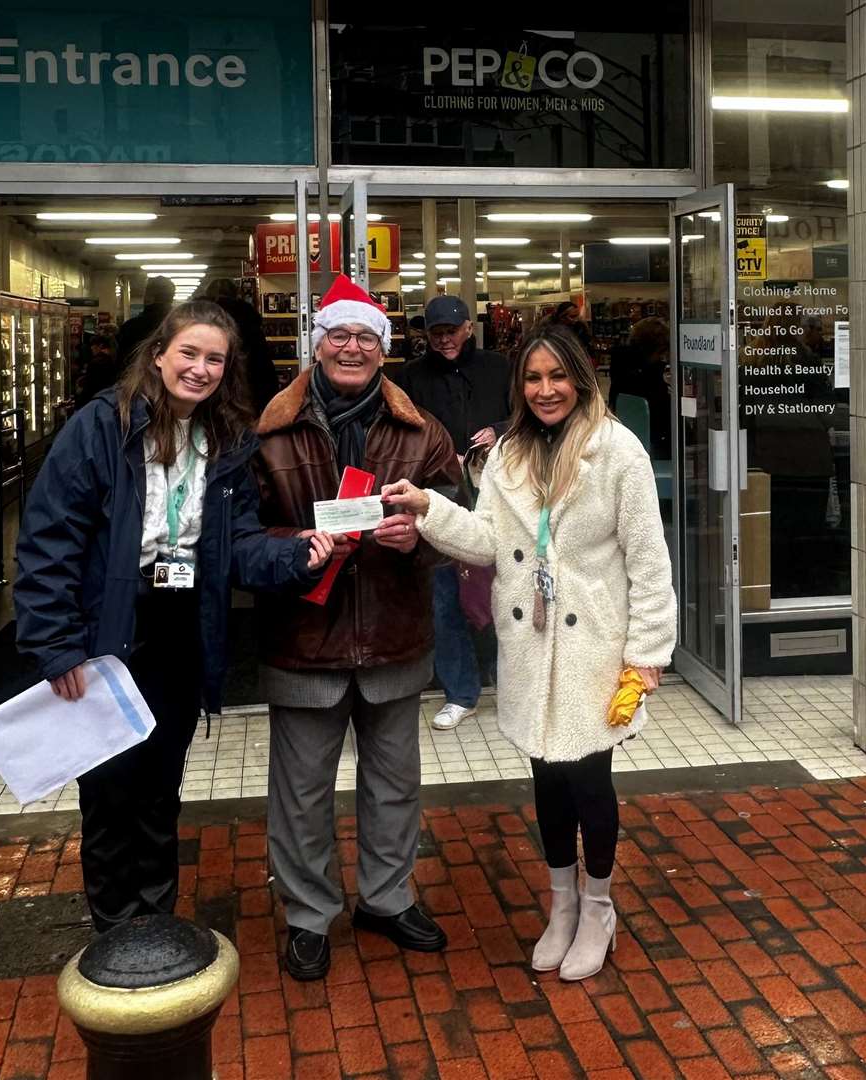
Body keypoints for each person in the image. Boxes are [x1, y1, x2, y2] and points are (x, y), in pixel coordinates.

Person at [13, 300, 329, 934]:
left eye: (215, 359)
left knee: (161, 785)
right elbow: (50, 541)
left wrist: (297, 556)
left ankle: (154, 925)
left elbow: (235, 546)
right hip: (110, 631)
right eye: (189, 353)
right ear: (158, 355)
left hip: (182, 630)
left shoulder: (228, 440)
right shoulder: (101, 427)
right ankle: (112, 932)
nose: (200, 368)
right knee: (108, 790)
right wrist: (56, 646)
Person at [383, 324, 677, 982]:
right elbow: (487, 539)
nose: (545, 390)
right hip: (531, 642)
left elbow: (649, 561)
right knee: (546, 779)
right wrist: (429, 506)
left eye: (557, 376)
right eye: (533, 378)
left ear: (579, 378)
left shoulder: (615, 452)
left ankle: (599, 908)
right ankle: (563, 905)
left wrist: (649, 650)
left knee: (589, 781)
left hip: (596, 646)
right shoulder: (509, 453)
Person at [251, 274, 461, 981]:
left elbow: (459, 521)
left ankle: (386, 897)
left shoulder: (421, 430)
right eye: (338, 335)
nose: (351, 347)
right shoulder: (269, 429)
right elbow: (240, 535)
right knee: (302, 791)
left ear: (383, 350)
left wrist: (420, 538)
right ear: (318, 343)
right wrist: (299, 545)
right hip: (304, 643)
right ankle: (309, 915)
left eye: (365, 337)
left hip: (393, 636)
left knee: (394, 783)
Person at [394, 294, 512, 731]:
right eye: (436, 333)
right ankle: (460, 693)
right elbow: (401, 433)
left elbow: (530, 415)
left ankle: (512, 681)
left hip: (498, 494)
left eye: (451, 331)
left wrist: (500, 431)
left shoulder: (499, 368)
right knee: (444, 600)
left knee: (507, 593)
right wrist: (438, 459)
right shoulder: (410, 376)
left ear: (468, 329)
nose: (444, 340)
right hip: (439, 498)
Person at [206, 278, 279, 414]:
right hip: (246, 387)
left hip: (209, 387)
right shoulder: (248, 318)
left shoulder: (200, 318)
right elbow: (261, 359)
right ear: (236, 293)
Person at [607, 316, 671, 460]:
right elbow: (662, 411)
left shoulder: (620, 364)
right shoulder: (651, 375)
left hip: (624, 433)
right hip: (654, 443)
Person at [115, 276, 176, 375]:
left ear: (149, 297)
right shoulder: (182, 326)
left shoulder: (131, 327)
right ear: (171, 297)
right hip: (170, 381)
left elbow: (121, 363)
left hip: (135, 381)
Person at [75, 323, 120, 408]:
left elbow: (90, 389)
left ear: (100, 346)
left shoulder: (97, 363)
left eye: (93, 345)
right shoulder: (117, 359)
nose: (91, 348)